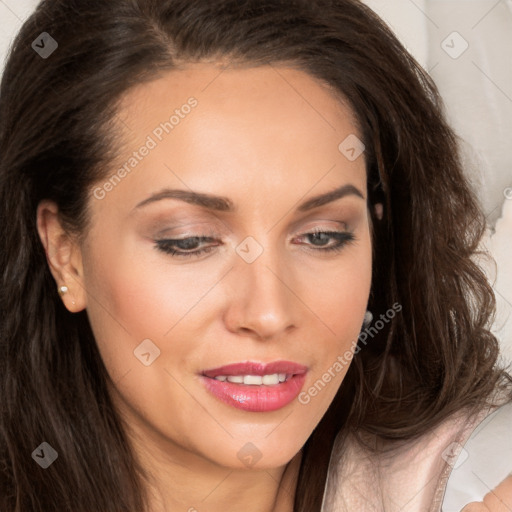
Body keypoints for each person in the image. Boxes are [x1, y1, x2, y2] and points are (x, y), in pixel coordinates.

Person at [0, 1, 510, 511]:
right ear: (65, 253)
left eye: (322, 235)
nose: (268, 313)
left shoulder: (473, 480)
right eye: (190, 240)